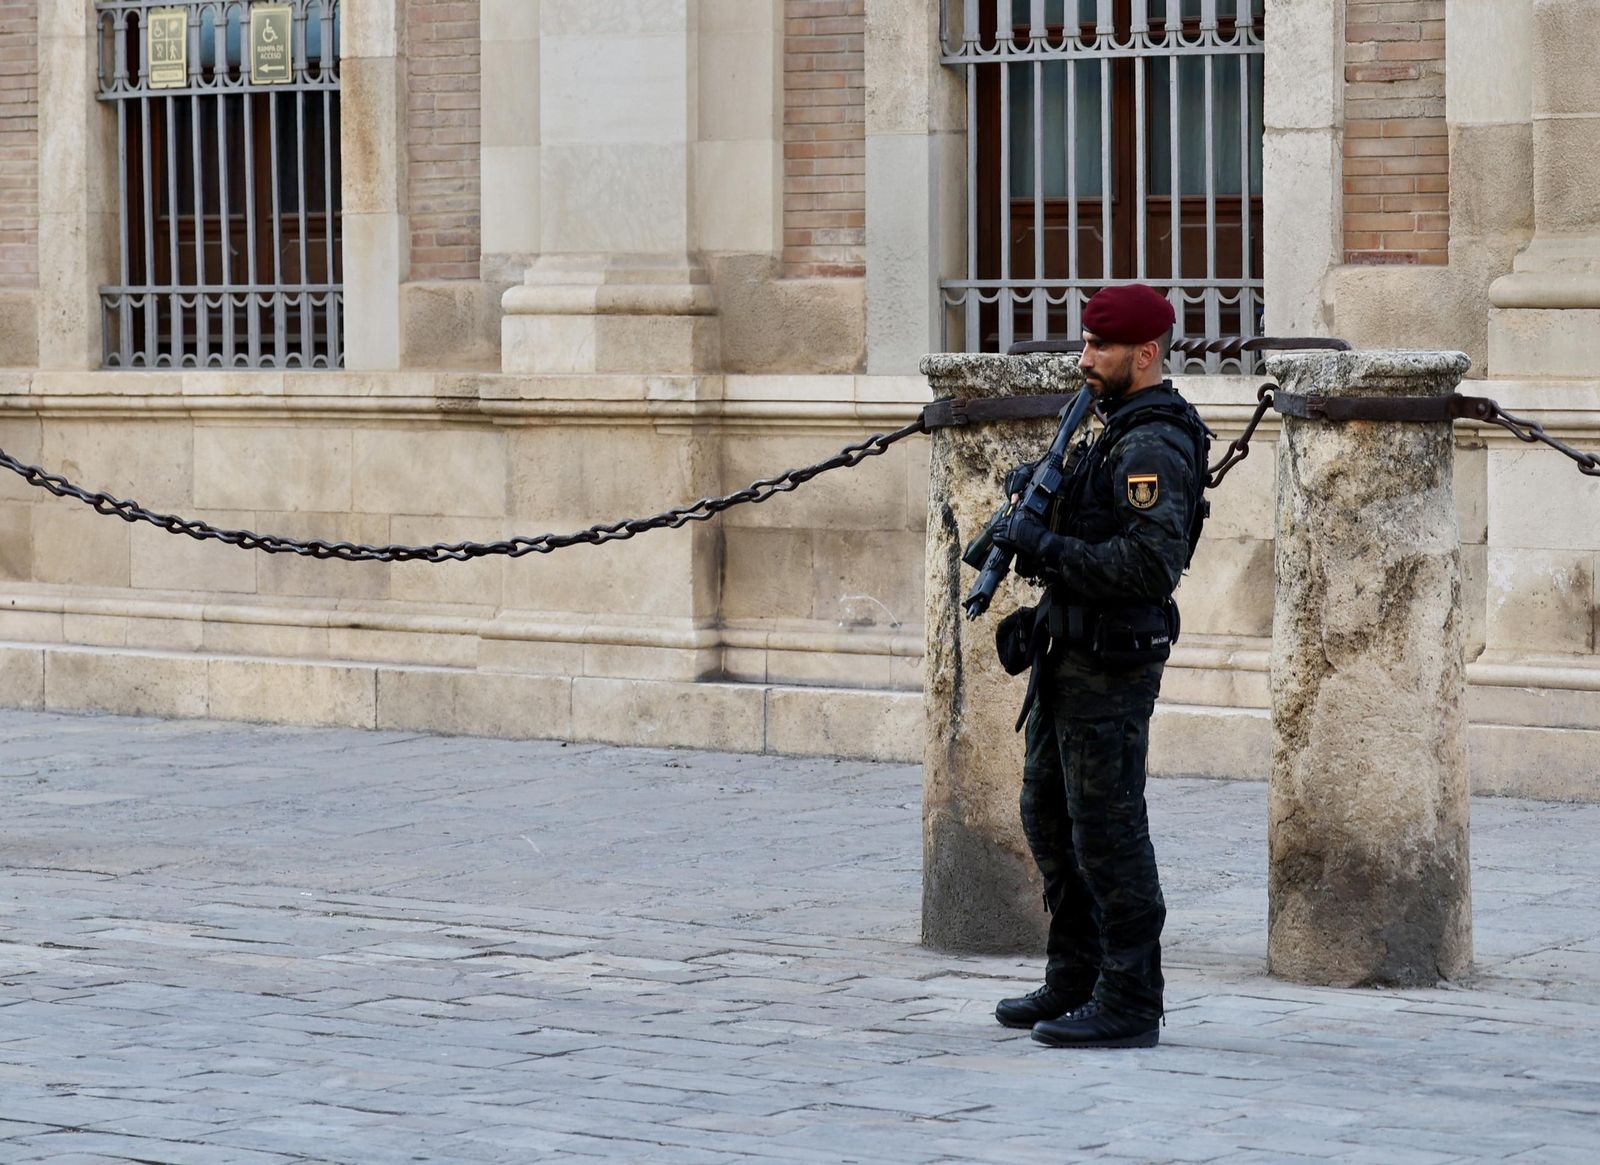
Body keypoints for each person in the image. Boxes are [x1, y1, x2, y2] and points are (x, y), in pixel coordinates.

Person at [990, 283, 1209, 1050]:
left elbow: (1149, 565)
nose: (1084, 359)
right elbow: (1091, 523)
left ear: (1144, 355)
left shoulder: (1154, 443)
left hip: (1112, 664)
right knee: (1048, 815)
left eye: (1100, 349)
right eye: (1084, 344)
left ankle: (1130, 998)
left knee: (1108, 831)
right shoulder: (1111, 428)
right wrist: (1030, 507)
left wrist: (1042, 546)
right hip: (1069, 652)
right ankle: (1074, 975)